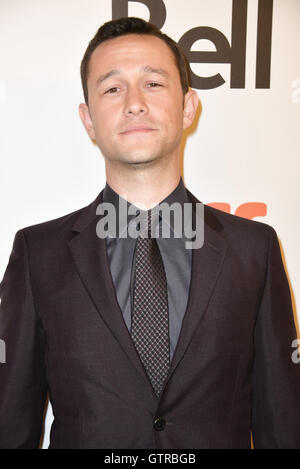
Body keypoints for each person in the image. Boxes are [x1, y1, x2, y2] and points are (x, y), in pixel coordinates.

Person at [0, 16, 299, 450]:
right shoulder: (38, 254)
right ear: (88, 119)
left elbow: (283, 425)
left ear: (188, 106)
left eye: (154, 84)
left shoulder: (255, 249)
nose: (134, 103)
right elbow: (11, 425)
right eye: (112, 88)